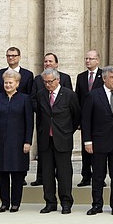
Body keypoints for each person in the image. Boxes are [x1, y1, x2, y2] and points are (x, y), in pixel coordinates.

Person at [81, 66, 113, 215]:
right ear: (105, 78)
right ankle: (97, 205)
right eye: (112, 77)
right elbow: (86, 120)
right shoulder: (93, 95)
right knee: (98, 176)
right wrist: (87, 141)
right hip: (99, 142)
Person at [0, 69, 33, 212]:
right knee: (2, 173)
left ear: (17, 84)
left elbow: (29, 122)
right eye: (6, 82)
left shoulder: (25, 99)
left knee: (18, 174)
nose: (7, 85)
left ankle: (15, 203)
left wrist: (28, 141)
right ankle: (4, 203)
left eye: (10, 82)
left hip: (18, 142)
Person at [35, 68, 80, 214]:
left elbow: (76, 116)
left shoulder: (69, 95)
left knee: (64, 173)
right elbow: (40, 116)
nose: (48, 85)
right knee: (47, 173)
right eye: (45, 82)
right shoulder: (41, 95)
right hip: (46, 140)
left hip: (63, 139)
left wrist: (67, 131)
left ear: (58, 80)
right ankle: (50, 202)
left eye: (50, 82)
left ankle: (66, 202)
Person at [32, 52, 72, 186]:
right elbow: (33, 100)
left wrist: (67, 127)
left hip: (62, 132)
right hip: (45, 129)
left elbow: (74, 111)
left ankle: (66, 202)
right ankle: (48, 199)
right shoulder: (38, 81)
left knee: (63, 171)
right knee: (46, 167)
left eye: (50, 61)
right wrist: (44, 112)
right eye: (45, 61)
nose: (48, 63)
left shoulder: (66, 82)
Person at [74, 49, 103, 188]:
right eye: (86, 58)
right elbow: (77, 99)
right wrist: (78, 120)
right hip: (85, 119)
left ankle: (99, 177)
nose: (88, 61)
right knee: (86, 148)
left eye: (91, 59)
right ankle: (86, 176)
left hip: (99, 119)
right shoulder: (81, 77)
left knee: (98, 150)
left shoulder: (104, 75)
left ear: (97, 60)